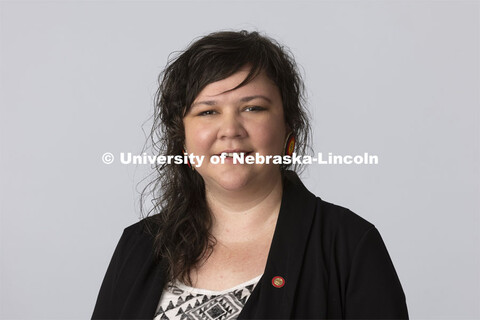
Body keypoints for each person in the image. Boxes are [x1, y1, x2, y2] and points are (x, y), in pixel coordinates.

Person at [92, 30, 409, 320]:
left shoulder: (349, 246)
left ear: (288, 126)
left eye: (253, 108)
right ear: (182, 141)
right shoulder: (139, 245)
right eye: (207, 111)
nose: (230, 130)